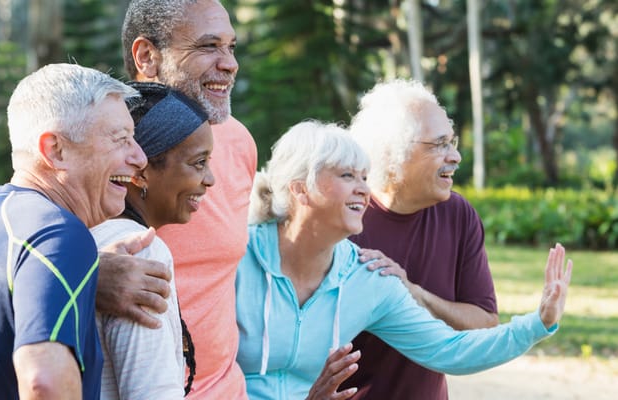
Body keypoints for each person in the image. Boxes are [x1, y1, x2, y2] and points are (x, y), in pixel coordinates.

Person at [235, 120, 573, 400]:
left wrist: (537, 323)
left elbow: (450, 349)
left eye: (364, 177)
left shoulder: (367, 277)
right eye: (347, 176)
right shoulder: (236, 257)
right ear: (300, 189)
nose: (363, 190)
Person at [0, 63, 147, 399]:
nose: (139, 157)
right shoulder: (58, 234)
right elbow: (43, 383)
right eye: (121, 139)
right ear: (55, 150)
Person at [97, 1, 258, 397]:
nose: (229, 64)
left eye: (231, 47)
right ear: (147, 56)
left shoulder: (238, 142)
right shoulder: (95, 147)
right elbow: (13, 247)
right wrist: (86, 277)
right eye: (208, 47)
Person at [338, 79, 499, 399]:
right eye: (439, 144)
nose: (454, 156)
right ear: (392, 153)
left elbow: (484, 326)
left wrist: (416, 295)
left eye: (452, 143)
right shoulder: (341, 218)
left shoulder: (457, 214)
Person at [91, 82, 214, 399]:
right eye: (199, 163)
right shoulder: (139, 254)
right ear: (141, 171)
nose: (210, 179)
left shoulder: (79, 242)